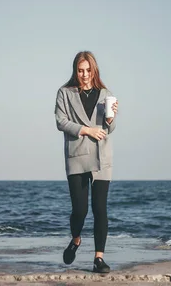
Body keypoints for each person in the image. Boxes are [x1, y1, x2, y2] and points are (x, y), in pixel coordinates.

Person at [54, 51, 119, 273]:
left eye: (88, 70)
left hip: (102, 156)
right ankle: (76, 239)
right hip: (77, 156)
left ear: (94, 70)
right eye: (80, 70)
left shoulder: (106, 94)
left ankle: (98, 258)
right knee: (79, 211)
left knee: (100, 208)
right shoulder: (64, 93)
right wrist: (86, 130)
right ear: (75, 71)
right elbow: (61, 122)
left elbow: (109, 128)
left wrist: (110, 120)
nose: (84, 75)